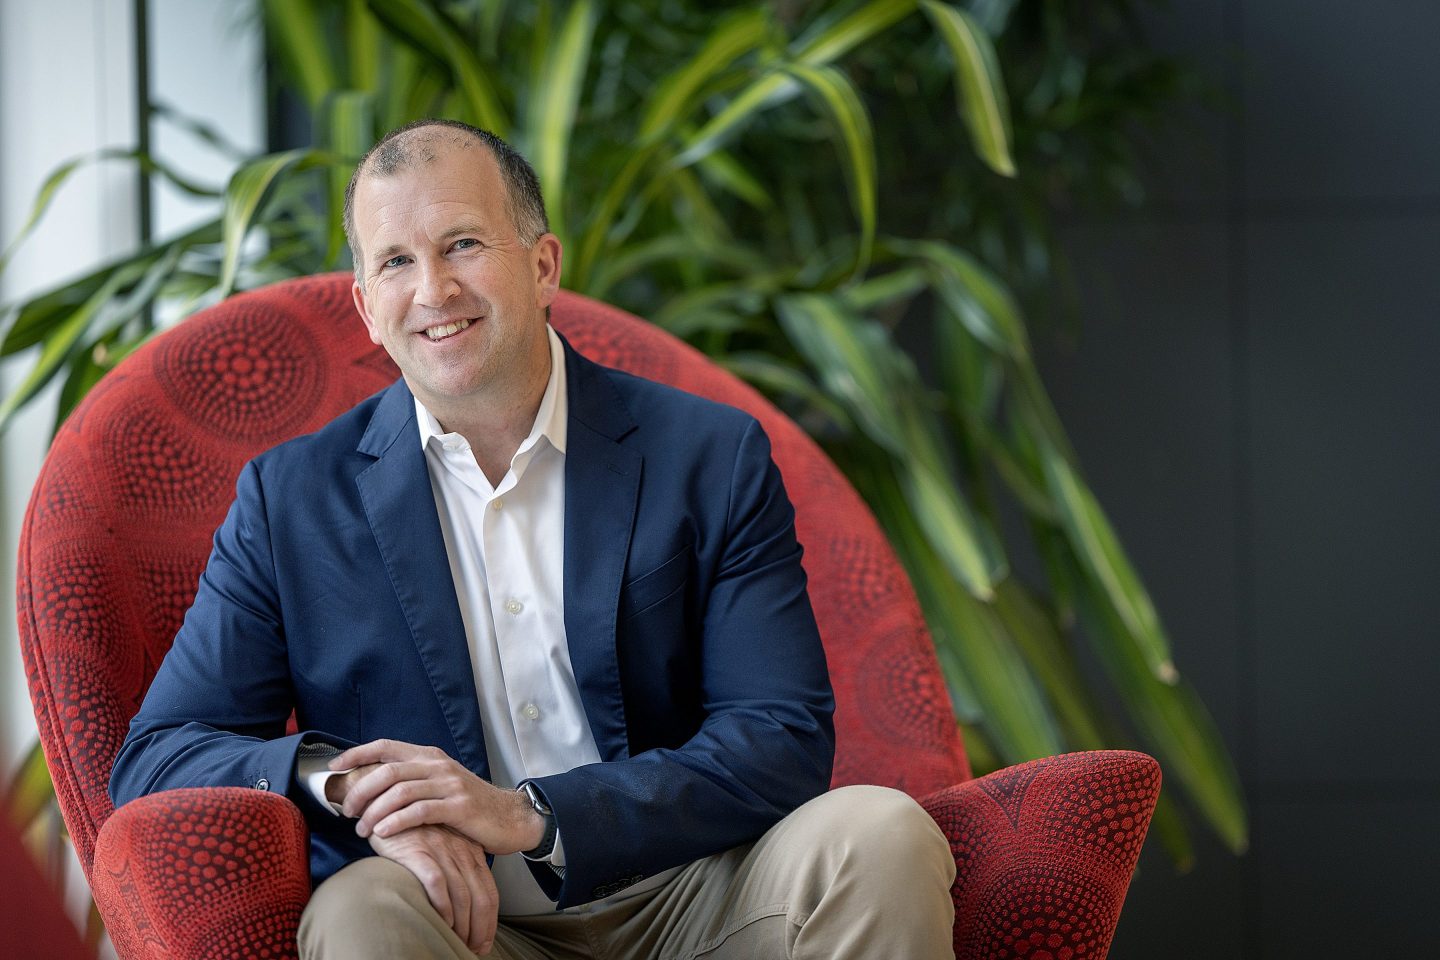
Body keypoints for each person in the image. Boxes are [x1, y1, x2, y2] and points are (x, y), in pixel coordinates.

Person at [111, 119, 956, 959]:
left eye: (464, 243)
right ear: (367, 306)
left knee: (880, 834)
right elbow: (159, 756)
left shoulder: (708, 455)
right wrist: (348, 783)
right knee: (358, 913)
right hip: (462, 922)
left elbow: (781, 735)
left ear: (543, 265)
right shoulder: (289, 500)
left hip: (696, 895)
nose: (434, 290)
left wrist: (529, 814)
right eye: (397, 261)